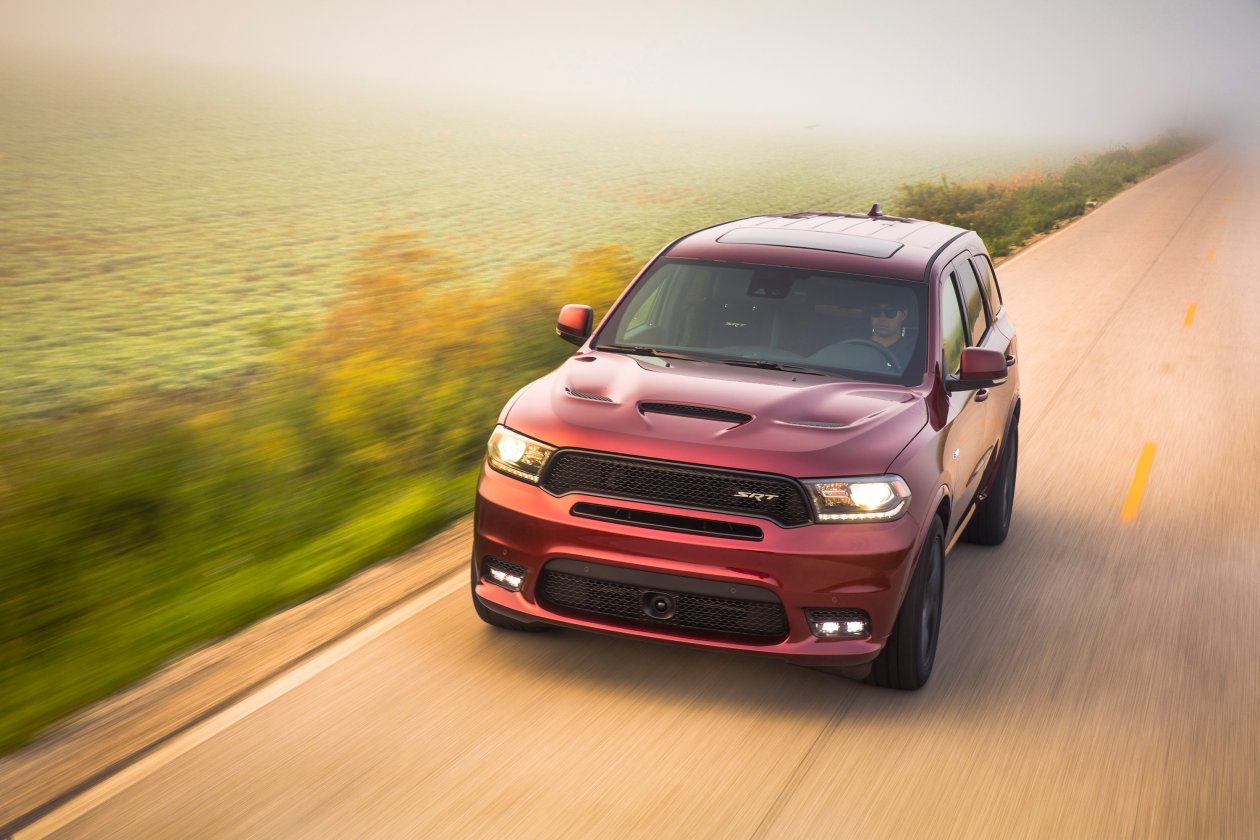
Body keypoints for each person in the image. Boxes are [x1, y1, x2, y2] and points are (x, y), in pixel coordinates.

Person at [867, 299, 915, 370]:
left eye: (890, 312)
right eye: (876, 311)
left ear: (904, 315)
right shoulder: (856, 348)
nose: (882, 318)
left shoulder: (913, 355)